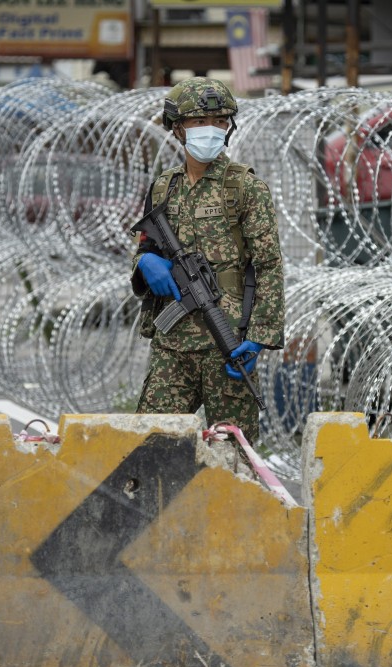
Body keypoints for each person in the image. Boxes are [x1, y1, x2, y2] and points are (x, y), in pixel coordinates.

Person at [130, 76, 284, 439]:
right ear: (178, 129)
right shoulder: (164, 187)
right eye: (199, 122)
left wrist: (259, 338)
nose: (211, 130)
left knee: (233, 454)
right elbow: (144, 246)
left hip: (228, 343)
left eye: (220, 122)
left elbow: (269, 266)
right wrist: (144, 263)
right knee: (148, 443)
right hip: (174, 345)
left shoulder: (245, 187)